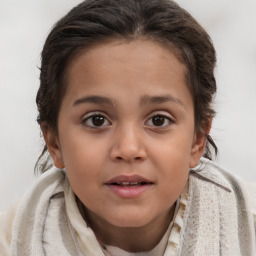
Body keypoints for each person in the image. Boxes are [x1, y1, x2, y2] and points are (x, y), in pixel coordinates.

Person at [0, 0, 255, 255]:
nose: (128, 149)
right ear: (54, 141)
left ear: (198, 139)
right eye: (97, 120)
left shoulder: (249, 229)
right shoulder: (13, 241)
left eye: (158, 120)